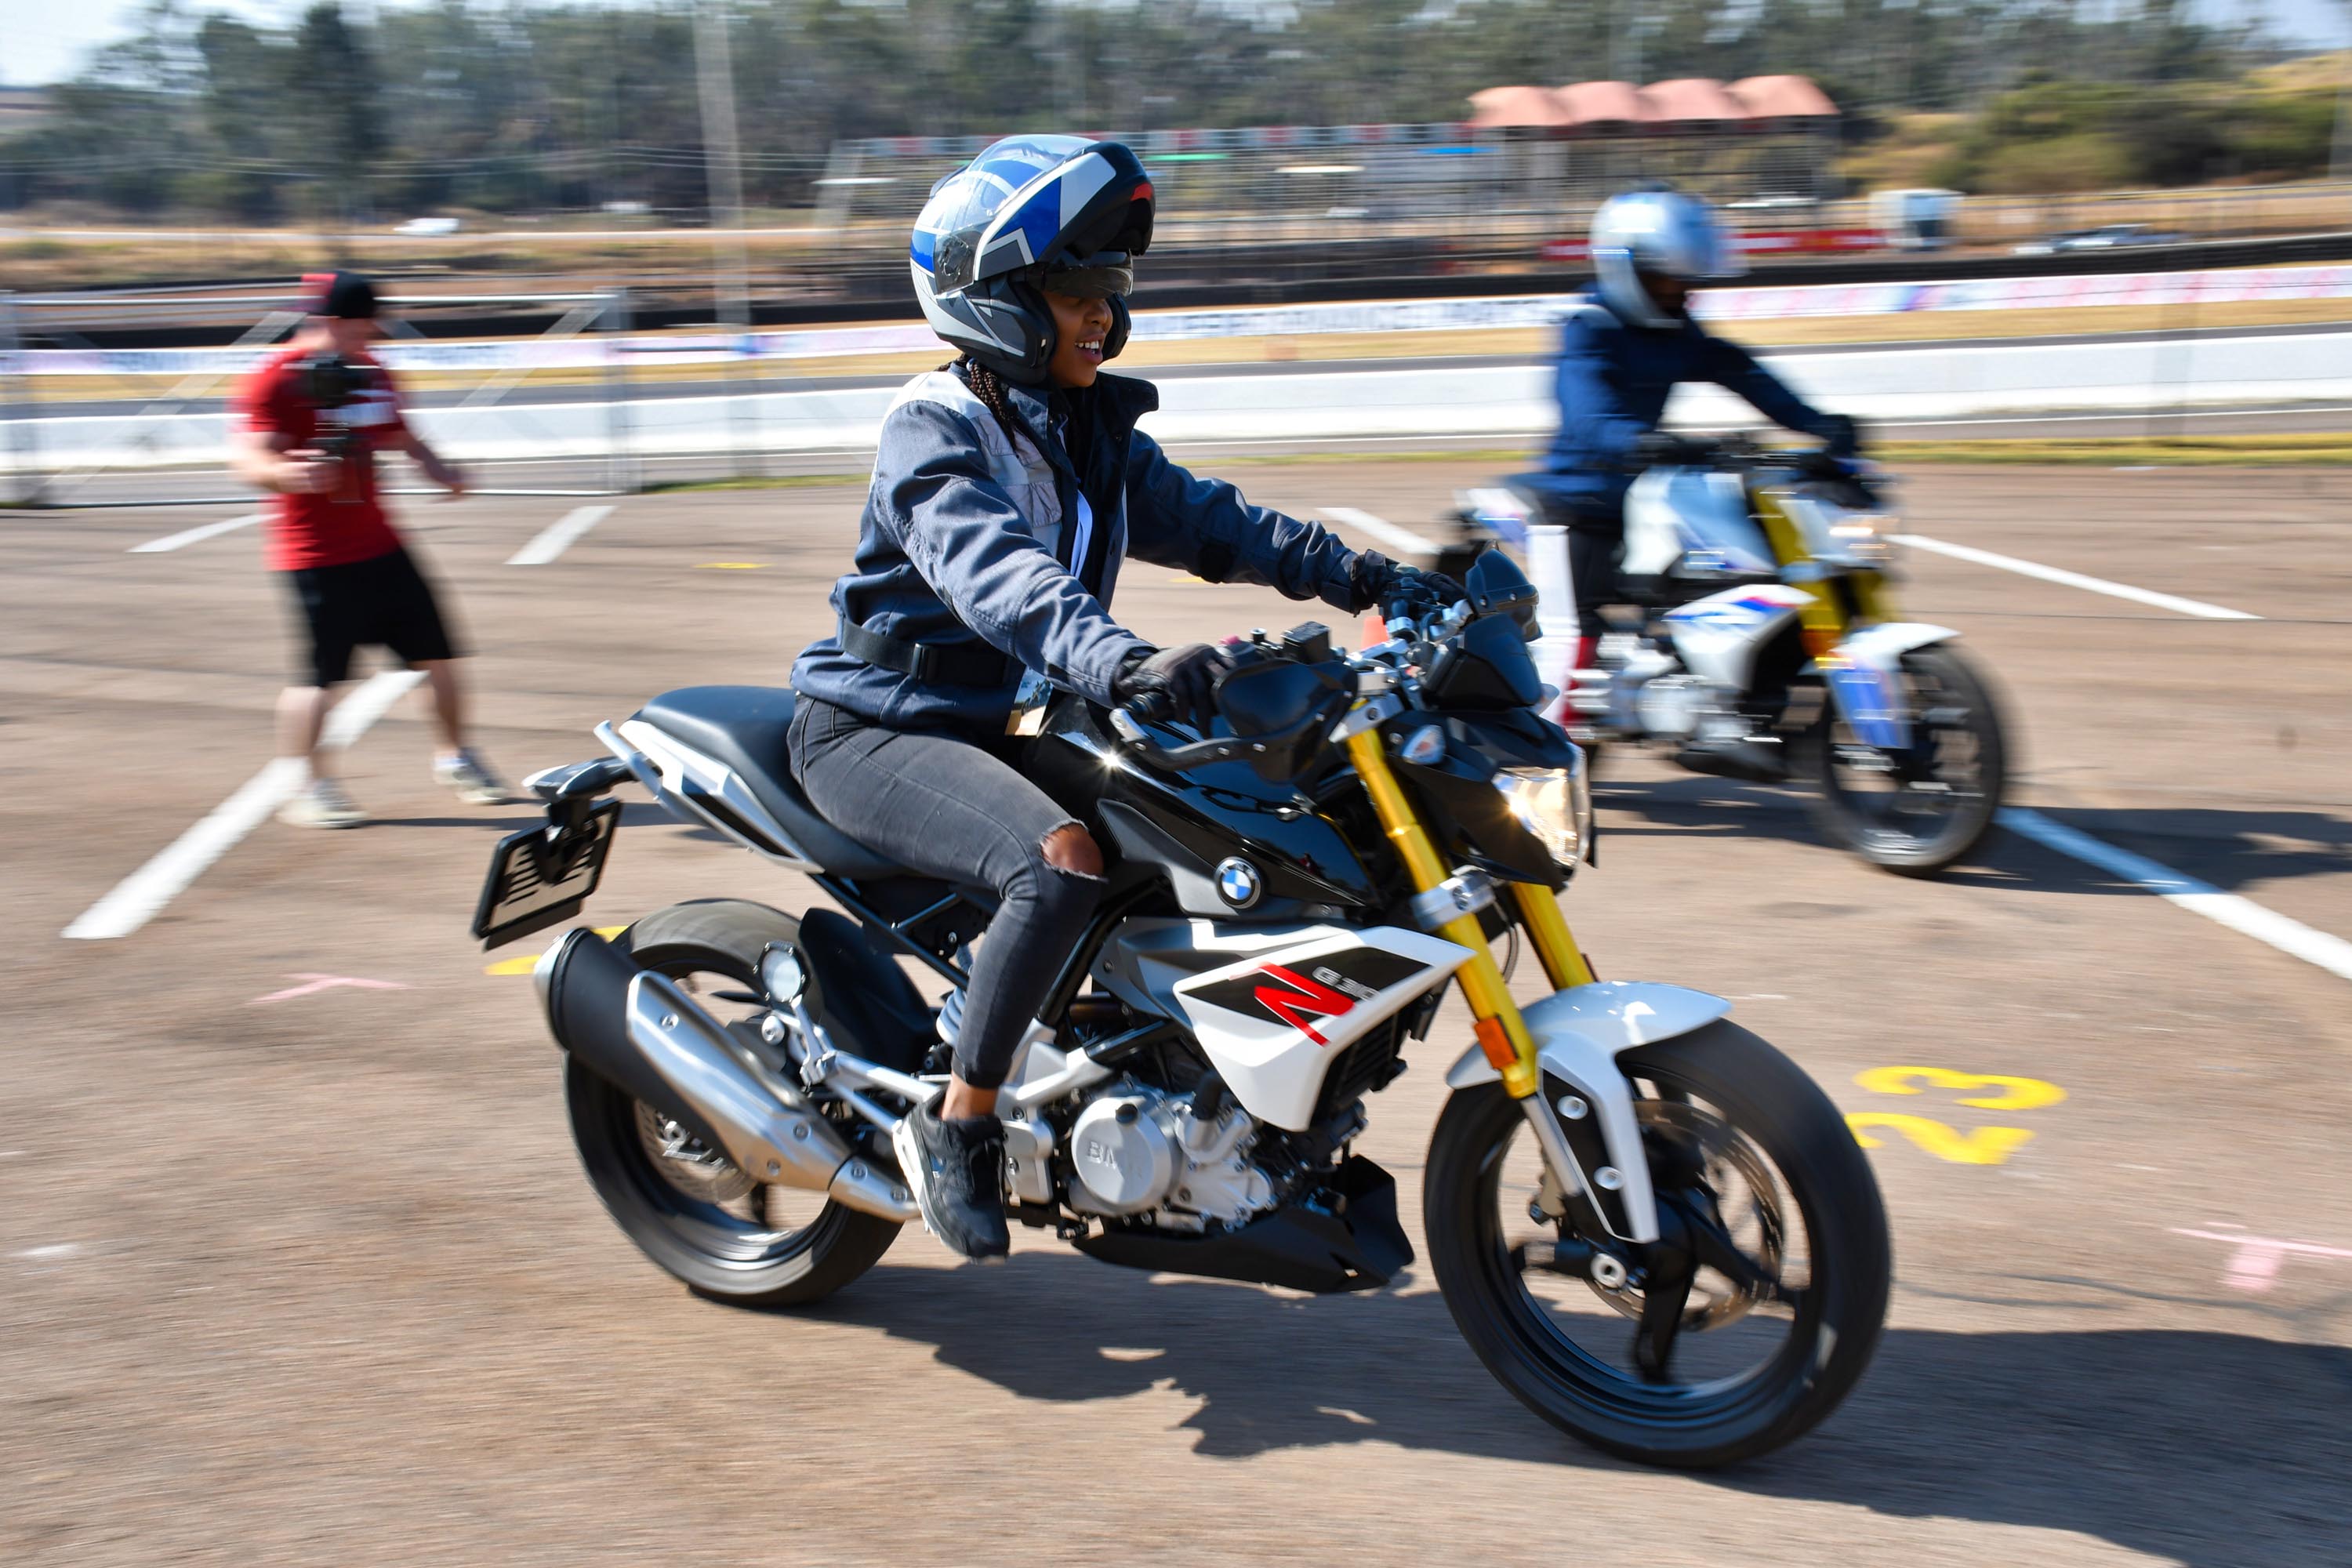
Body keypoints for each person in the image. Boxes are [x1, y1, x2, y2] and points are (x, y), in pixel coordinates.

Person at [786, 136, 1458, 1261]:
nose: (1103, 312)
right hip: (879, 726)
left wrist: (1367, 576)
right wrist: (1119, 660)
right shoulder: (935, 429)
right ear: (999, 302)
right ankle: (961, 1124)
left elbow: (1214, 523)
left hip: (1005, 721)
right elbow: (999, 576)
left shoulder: (1080, 425)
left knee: (1214, 821)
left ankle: (1158, 1083)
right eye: (1074, 289)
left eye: (1112, 284)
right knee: (1056, 866)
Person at [1514, 187, 1858, 759]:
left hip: (1645, 495)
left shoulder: (1676, 329)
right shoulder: (1588, 327)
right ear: (1627, 270)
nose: (1681, 292)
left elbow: (1742, 373)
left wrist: (1819, 424)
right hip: (1578, 503)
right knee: (1573, 633)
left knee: (1743, 565)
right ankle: (1537, 765)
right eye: (1667, 280)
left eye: (1686, 281)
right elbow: (1587, 416)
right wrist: (1642, 440)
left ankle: (1726, 703)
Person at [230, 270, 508, 827]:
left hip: (382, 545)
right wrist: (287, 474)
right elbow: (248, 458)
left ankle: (456, 759)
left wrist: (439, 469)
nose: (373, 335)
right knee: (318, 681)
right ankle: (309, 788)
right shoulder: (277, 378)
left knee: (439, 658)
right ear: (332, 321)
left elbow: (402, 436)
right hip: (315, 556)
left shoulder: (373, 372)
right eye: (363, 325)